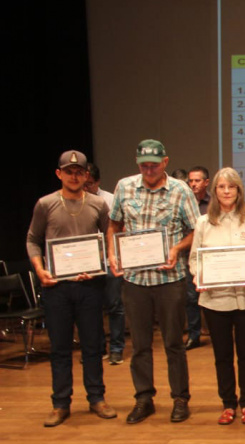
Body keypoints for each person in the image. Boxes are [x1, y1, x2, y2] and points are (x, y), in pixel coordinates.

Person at [107, 140, 200, 424]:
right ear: (137, 163)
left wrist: (176, 249)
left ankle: (180, 398)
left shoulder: (180, 190)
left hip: (169, 278)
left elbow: (196, 231)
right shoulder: (124, 187)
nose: (149, 170)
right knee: (140, 345)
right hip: (135, 279)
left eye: (154, 165)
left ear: (166, 162)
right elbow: (114, 224)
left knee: (173, 342)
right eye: (144, 165)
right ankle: (144, 398)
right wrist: (112, 252)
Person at [27, 150, 116, 427]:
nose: (74, 176)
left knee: (92, 345)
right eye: (69, 171)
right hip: (57, 288)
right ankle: (60, 403)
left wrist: (104, 261)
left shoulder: (99, 204)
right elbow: (32, 240)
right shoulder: (46, 204)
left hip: (90, 285)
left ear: (86, 175)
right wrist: (40, 270)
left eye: (79, 172)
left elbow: (108, 236)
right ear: (59, 174)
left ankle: (97, 398)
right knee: (60, 348)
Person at [188, 167, 245, 425]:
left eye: (231, 187)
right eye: (221, 187)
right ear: (215, 190)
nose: (227, 191)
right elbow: (195, 259)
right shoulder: (203, 223)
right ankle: (228, 403)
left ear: (239, 190)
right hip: (214, 300)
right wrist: (199, 276)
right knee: (222, 354)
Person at [85, 163, 125, 365]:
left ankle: (117, 348)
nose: (86, 188)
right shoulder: (75, 202)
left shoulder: (109, 200)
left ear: (97, 182)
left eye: (90, 184)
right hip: (87, 262)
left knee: (115, 306)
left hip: (110, 260)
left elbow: (119, 230)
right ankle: (98, 347)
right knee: (92, 307)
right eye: (84, 184)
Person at [185, 166, 210, 350]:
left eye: (197, 180)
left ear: (206, 182)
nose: (193, 184)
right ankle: (194, 335)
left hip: (211, 257)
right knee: (191, 297)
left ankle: (214, 332)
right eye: (191, 181)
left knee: (211, 296)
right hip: (190, 255)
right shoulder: (184, 202)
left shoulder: (214, 204)